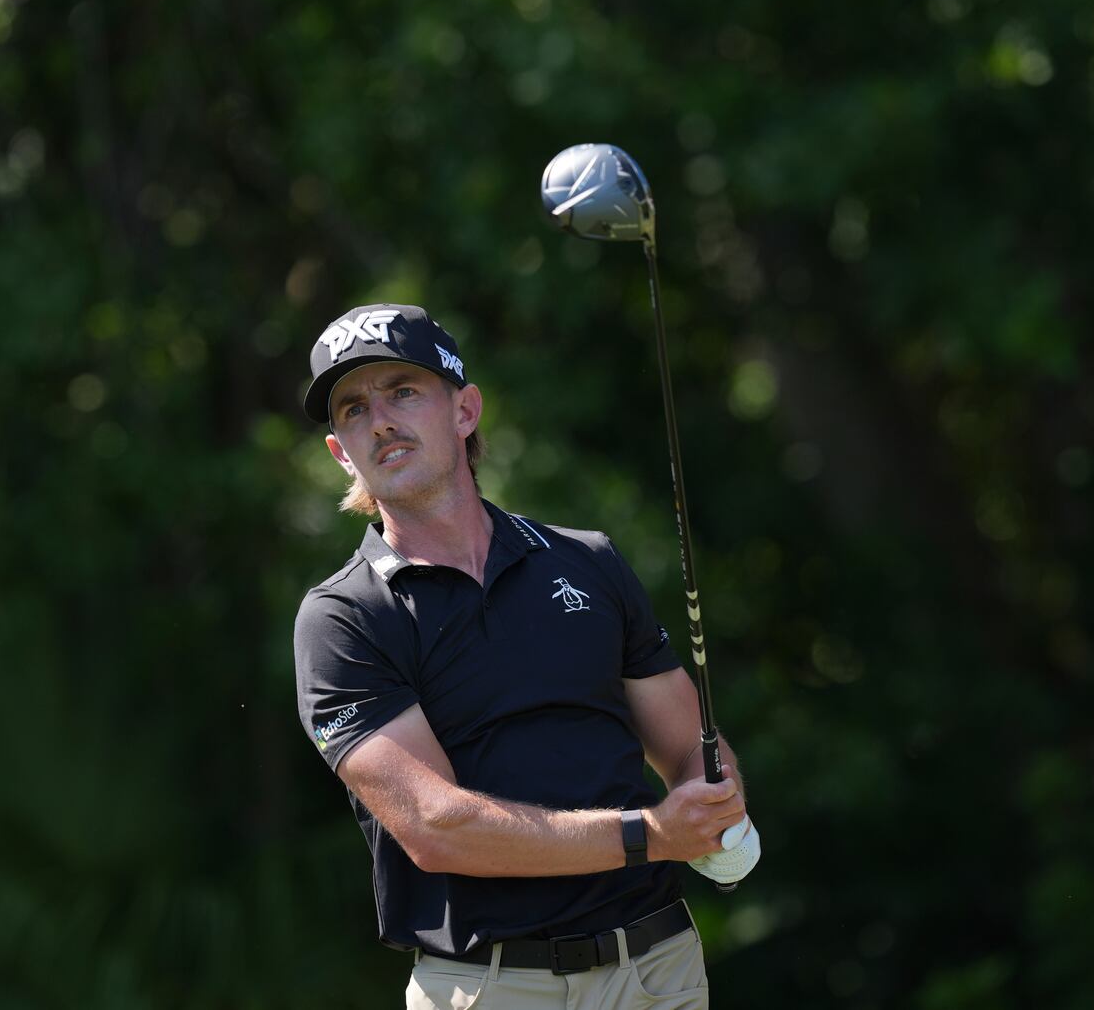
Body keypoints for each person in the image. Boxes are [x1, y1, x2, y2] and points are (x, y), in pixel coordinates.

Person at [292, 303, 761, 1009]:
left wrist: (714, 808)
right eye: (354, 408)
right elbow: (438, 828)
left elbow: (690, 745)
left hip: (659, 968)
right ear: (341, 452)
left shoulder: (588, 560)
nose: (380, 419)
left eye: (403, 390)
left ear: (465, 410)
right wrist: (655, 835)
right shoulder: (343, 619)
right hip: (494, 987)